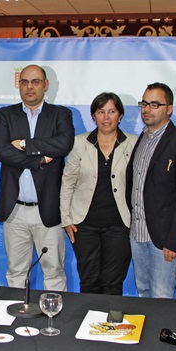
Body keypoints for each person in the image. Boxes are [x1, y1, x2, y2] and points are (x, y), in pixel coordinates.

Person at [0, 65, 74, 291]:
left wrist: (23, 144)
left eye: (36, 82)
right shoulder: (5, 115)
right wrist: (38, 160)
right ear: (19, 85)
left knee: (54, 272)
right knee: (16, 272)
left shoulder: (60, 114)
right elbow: (1, 151)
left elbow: (63, 144)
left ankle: (55, 314)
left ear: (45, 85)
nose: (30, 87)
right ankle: (14, 313)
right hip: (15, 209)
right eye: (25, 82)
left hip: (47, 208)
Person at [126, 83, 176, 298]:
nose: (147, 109)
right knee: (143, 292)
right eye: (144, 104)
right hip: (138, 233)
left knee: (162, 296)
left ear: (169, 109)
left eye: (155, 104)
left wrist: (175, 240)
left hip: (165, 239)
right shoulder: (142, 139)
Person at [60, 93, 137, 295]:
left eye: (112, 111)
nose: (106, 117)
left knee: (112, 283)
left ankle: (110, 317)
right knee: (89, 282)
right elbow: (68, 183)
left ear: (120, 115)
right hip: (84, 226)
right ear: (93, 116)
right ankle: (88, 316)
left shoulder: (134, 143)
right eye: (101, 112)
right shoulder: (80, 143)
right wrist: (66, 219)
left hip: (120, 225)